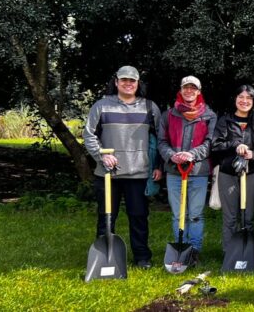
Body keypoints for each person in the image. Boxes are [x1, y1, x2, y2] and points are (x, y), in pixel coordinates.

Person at [83, 65, 162, 268]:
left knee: (139, 217)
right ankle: (104, 256)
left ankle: (142, 257)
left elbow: (160, 139)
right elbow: (88, 134)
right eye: (124, 80)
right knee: (107, 217)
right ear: (116, 82)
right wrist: (101, 156)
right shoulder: (101, 106)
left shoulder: (149, 108)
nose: (128, 84)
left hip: (138, 173)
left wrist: (158, 165)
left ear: (138, 84)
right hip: (108, 174)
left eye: (132, 81)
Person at [156, 75, 217, 266]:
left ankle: (195, 250)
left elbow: (210, 143)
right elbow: (161, 141)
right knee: (178, 214)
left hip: (198, 171)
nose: (189, 91)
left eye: (193, 88)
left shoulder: (209, 115)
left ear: (199, 91)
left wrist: (191, 154)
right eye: (186, 88)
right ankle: (181, 248)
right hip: (174, 171)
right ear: (181, 90)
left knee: (196, 214)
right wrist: (172, 155)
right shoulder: (169, 115)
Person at [210, 85, 254, 259]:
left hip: (252, 173)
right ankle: (229, 253)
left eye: (249, 98)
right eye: (241, 97)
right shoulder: (225, 121)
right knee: (229, 217)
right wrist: (235, 145)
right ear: (235, 99)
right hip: (228, 173)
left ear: (253, 101)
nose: (244, 101)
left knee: (248, 216)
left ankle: (247, 252)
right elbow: (215, 146)